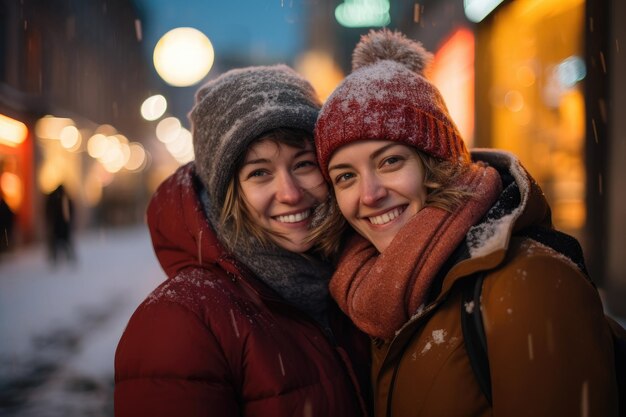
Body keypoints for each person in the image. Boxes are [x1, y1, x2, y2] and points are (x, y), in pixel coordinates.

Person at [312, 30, 618, 417]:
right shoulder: (363, 290)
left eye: (390, 161)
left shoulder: (529, 281)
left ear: (437, 163)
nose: (369, 194)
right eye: (345, 176)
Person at [114, 65, 371, 417]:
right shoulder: (182, 319)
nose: (290, 194)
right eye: (259, 173)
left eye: (303, 164)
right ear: (225, 195)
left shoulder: (364, 282)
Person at [44, 184, 76, 264]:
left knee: (60, 242)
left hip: (59, 224)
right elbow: (70, 210)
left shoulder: (56, 198)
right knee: (62, 241)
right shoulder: (64, 198)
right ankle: (58, 257)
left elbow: (48, 210)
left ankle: (59, 257)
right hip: (60, 223)